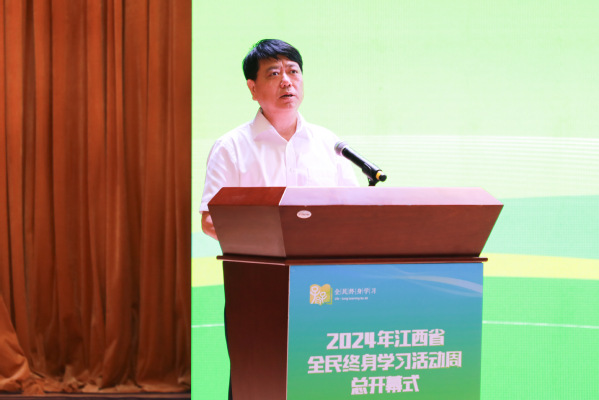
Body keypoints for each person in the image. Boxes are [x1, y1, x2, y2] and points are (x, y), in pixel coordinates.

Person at [200, 39, 359, 240]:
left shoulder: (329, 143)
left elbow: (355, 210)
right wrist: (270, 243)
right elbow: (210, 220)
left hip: (321, 258)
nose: (286, 81)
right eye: (274, 74)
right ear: (253, 88)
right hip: (260, 258)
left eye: (293, 71)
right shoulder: (230, 148)